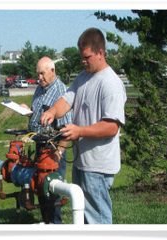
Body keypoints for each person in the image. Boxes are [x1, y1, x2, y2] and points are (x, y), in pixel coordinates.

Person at [40, 28, 127, 224]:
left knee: (98, 220)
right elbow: (67, 100)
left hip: (98, 166)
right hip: (82, 163)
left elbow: (112, 127)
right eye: (81, 57)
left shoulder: (111, 84)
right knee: (84, 218)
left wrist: (79, 131)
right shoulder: (83, 77)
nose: (83, 61)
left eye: (87, 57)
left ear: (100, 53)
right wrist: (52, 112)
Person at [20, 56, 73, 224]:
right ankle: (47, 225)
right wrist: (29, 111)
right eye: (37, 74)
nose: (39, 78)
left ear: (52, 71)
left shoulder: (61, 92)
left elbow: (66, 128)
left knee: (52, 191)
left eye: (42, 74)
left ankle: (55, 226)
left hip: (53, 151)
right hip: (40, 147)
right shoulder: (40, 88)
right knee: (41, 189)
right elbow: (39, 112)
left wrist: (57, 154)